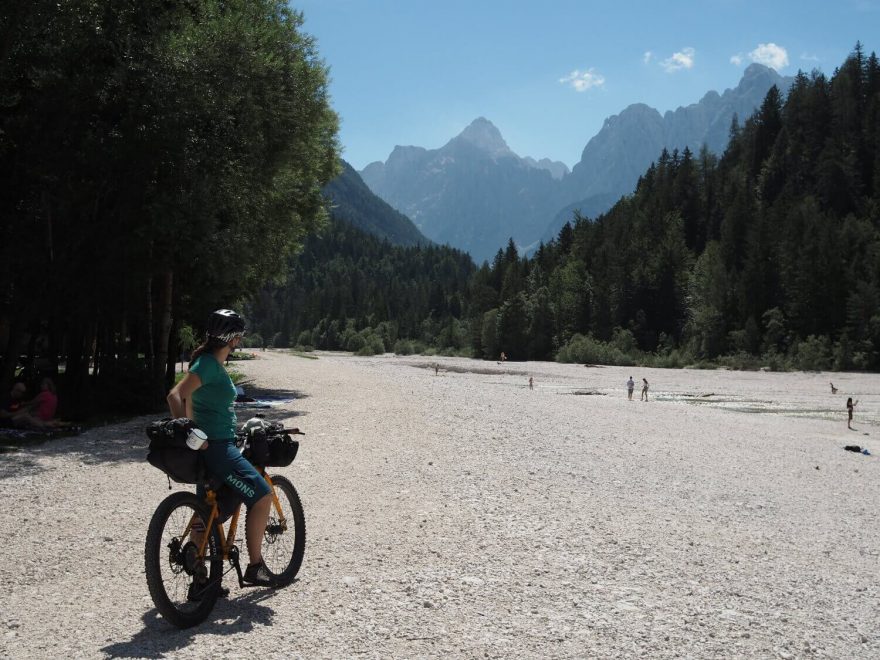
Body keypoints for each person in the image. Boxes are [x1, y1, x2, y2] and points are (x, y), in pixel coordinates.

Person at [166, 309, 275, 591]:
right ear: (234, 339)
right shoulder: (208, 365)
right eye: (239, 336)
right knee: (262, 495)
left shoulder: (209, 363)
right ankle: (255, 566)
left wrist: (193, 429)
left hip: (213, 445)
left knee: (208, 511)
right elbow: (175, 395)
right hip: (217, 448)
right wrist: (187, 431)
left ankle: (202, 580)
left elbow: (191, 401)